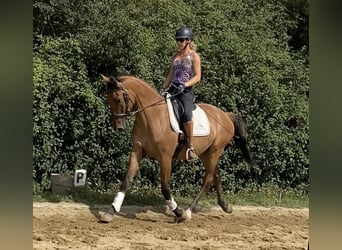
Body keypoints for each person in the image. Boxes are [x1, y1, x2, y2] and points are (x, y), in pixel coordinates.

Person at [159, 27, 201, 160]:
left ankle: (190, 146)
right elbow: (170, 74)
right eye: (178, 40)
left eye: (182, 40)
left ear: (188, 40)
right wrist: (162, 87)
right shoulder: (176, 56)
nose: (179, 42)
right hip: (173, 89)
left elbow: (198, 76)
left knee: (187, 114)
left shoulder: (194, 56)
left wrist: (185, 85)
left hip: (186, 91)